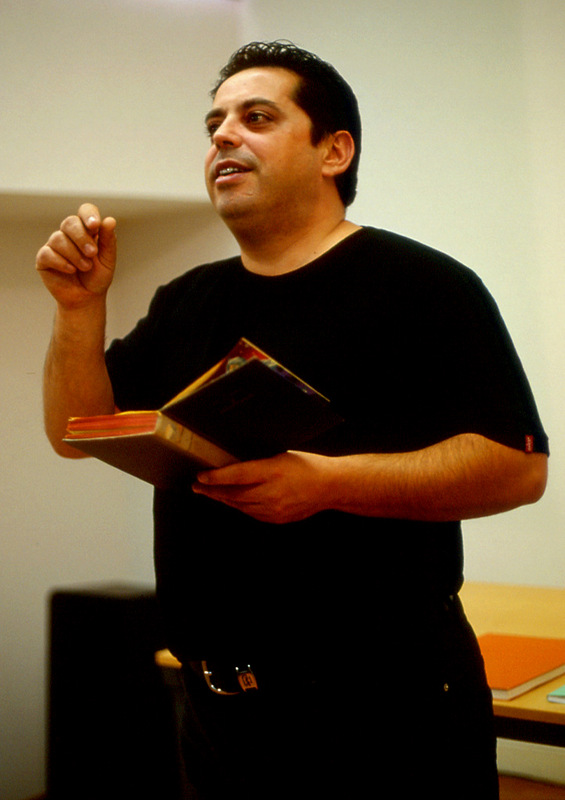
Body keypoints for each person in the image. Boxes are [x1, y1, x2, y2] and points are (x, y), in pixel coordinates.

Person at [36, 41, 548, 800]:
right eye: (214, 122)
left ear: (333, 151)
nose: (222, 134)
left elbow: (518, 469)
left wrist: (327, 483)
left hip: (384, 705)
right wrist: (78, 310)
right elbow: (75, 432)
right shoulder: (187, 298)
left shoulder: (425, 286)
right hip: (216, 706)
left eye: (256, 117)